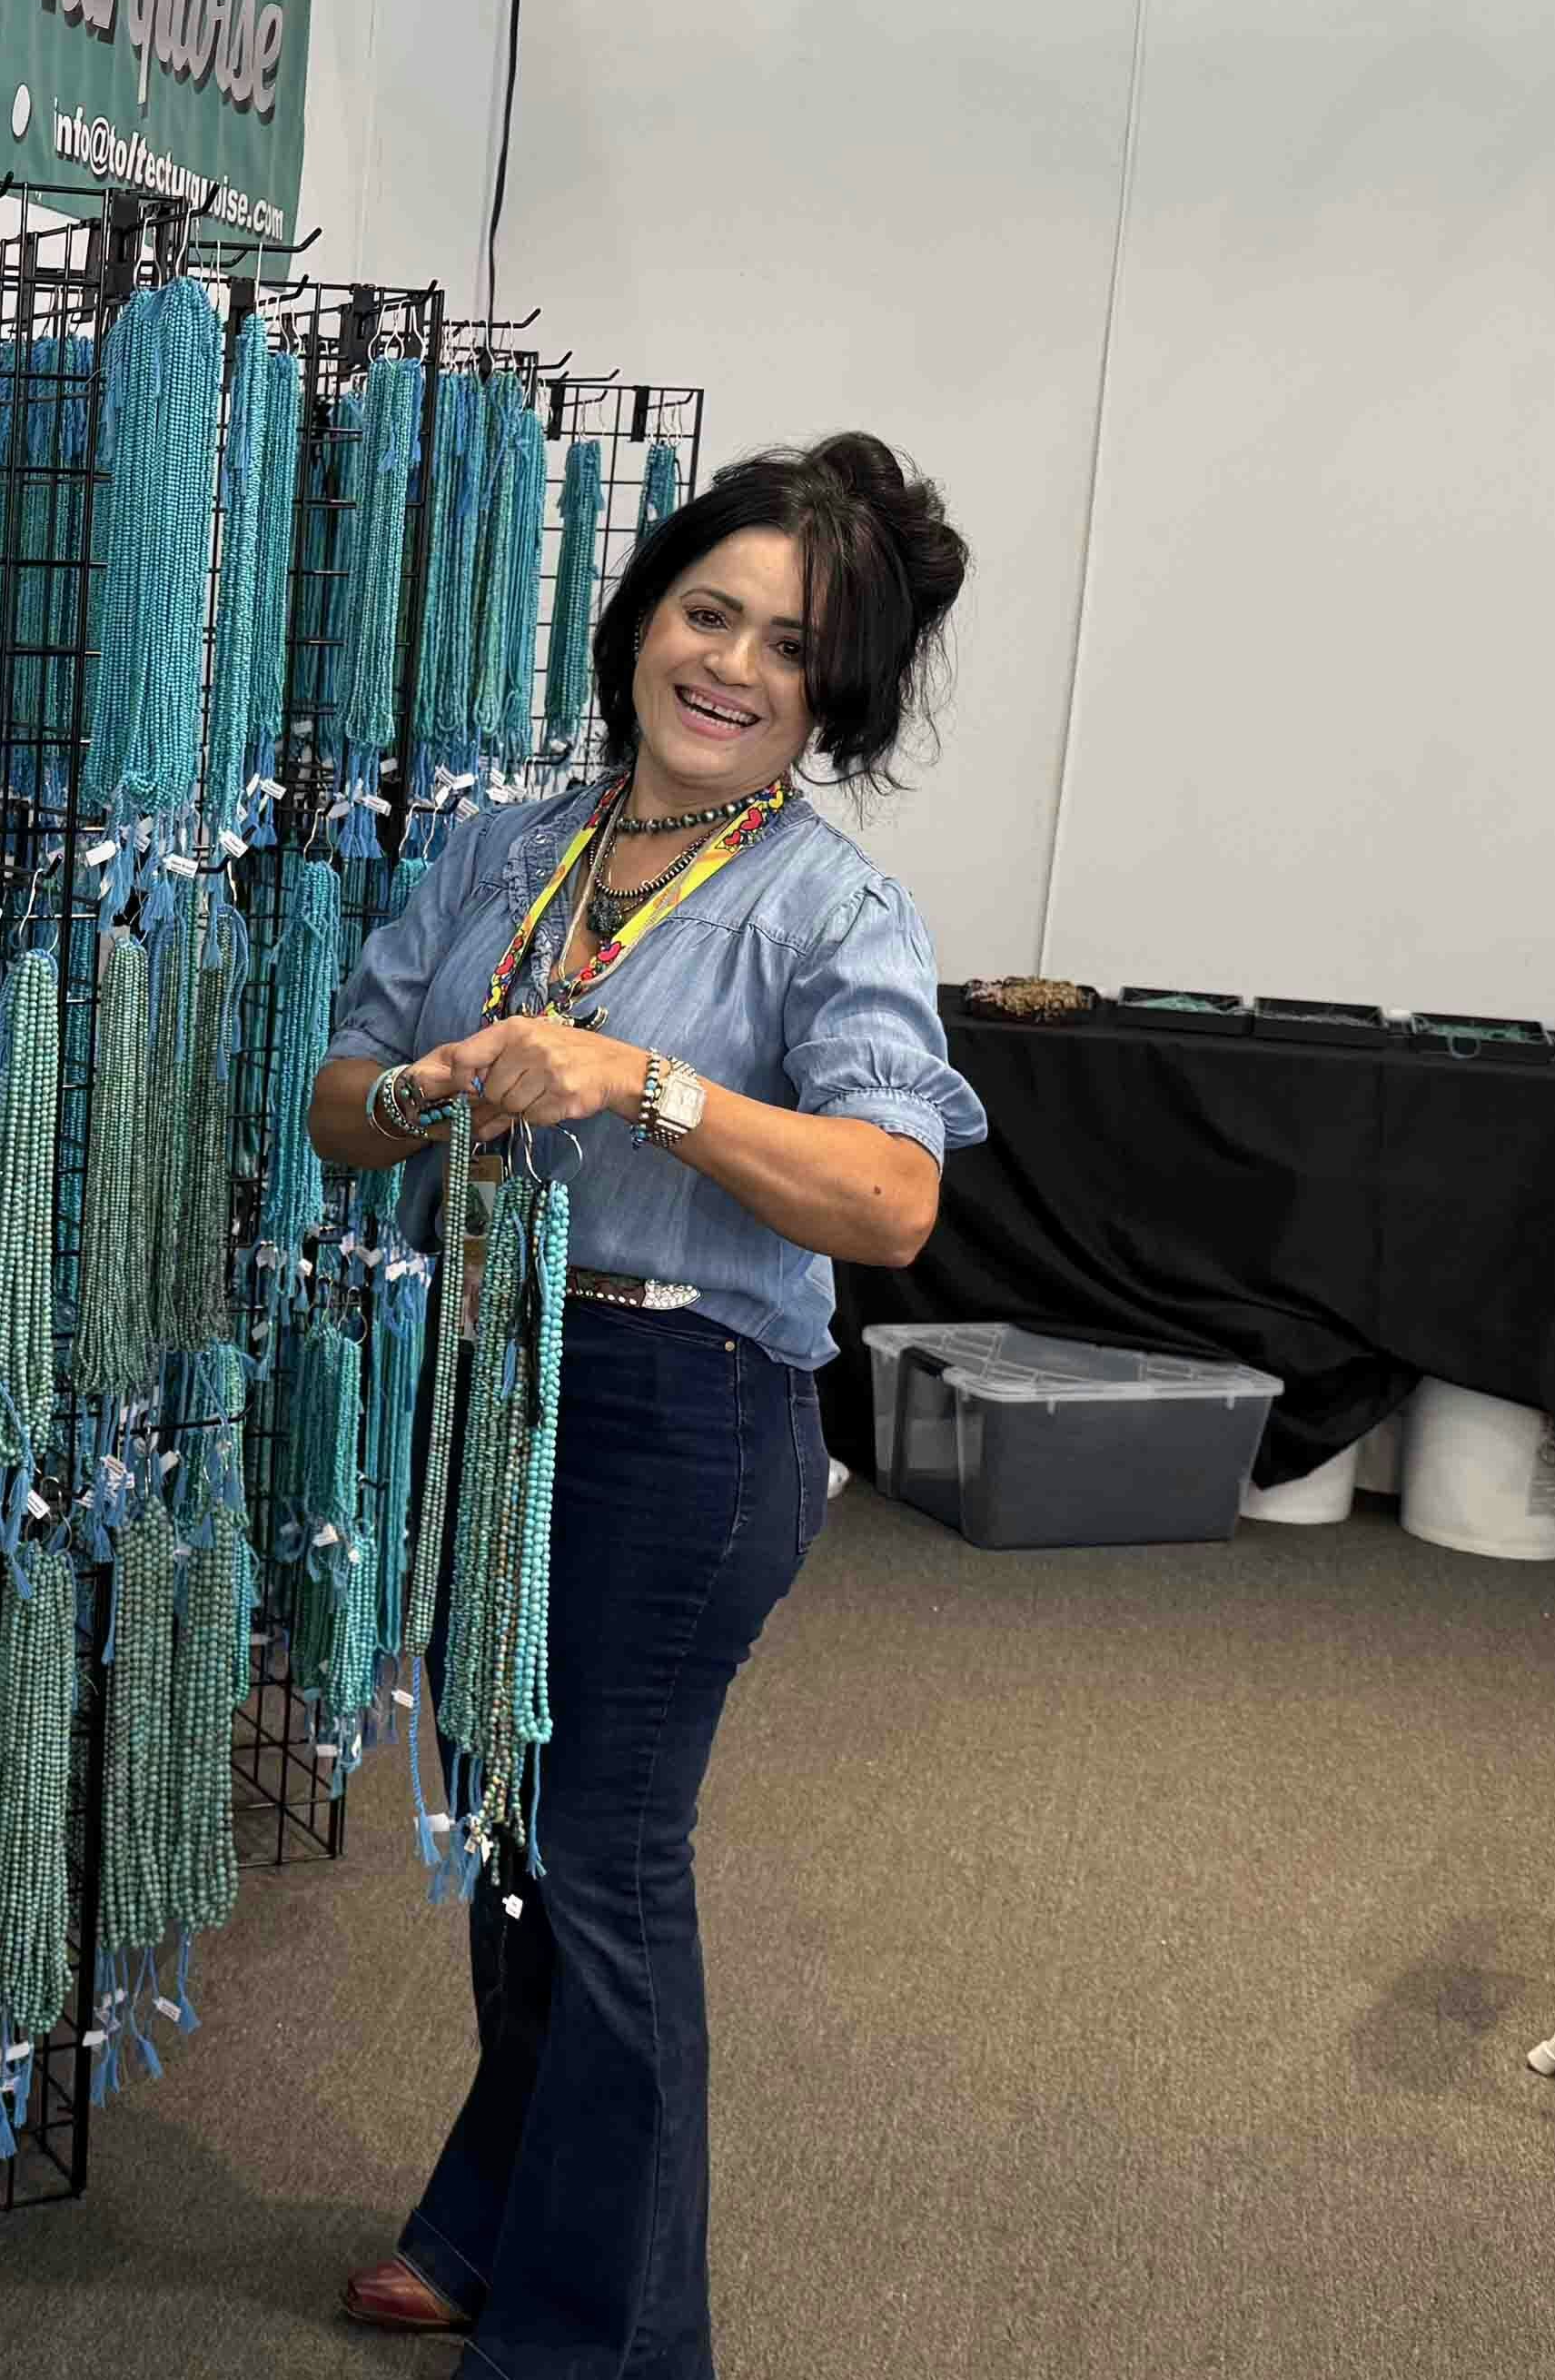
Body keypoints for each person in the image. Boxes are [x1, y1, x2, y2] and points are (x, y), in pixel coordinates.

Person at [316, 431, 987, 2378]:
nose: (733, 667)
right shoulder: (502, 850)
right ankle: (491, 2229)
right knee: (517, 1844)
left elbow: (893, 1192)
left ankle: (608, 2346)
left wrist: (640, 1088)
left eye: (789, 650)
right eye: (712, 613)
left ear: (827, 702)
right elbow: (341, 1112)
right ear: (643, 618)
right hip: (493, 1393)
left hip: (686, 1418)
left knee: (599, 1866)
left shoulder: (826, 911)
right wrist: (448, 1086)